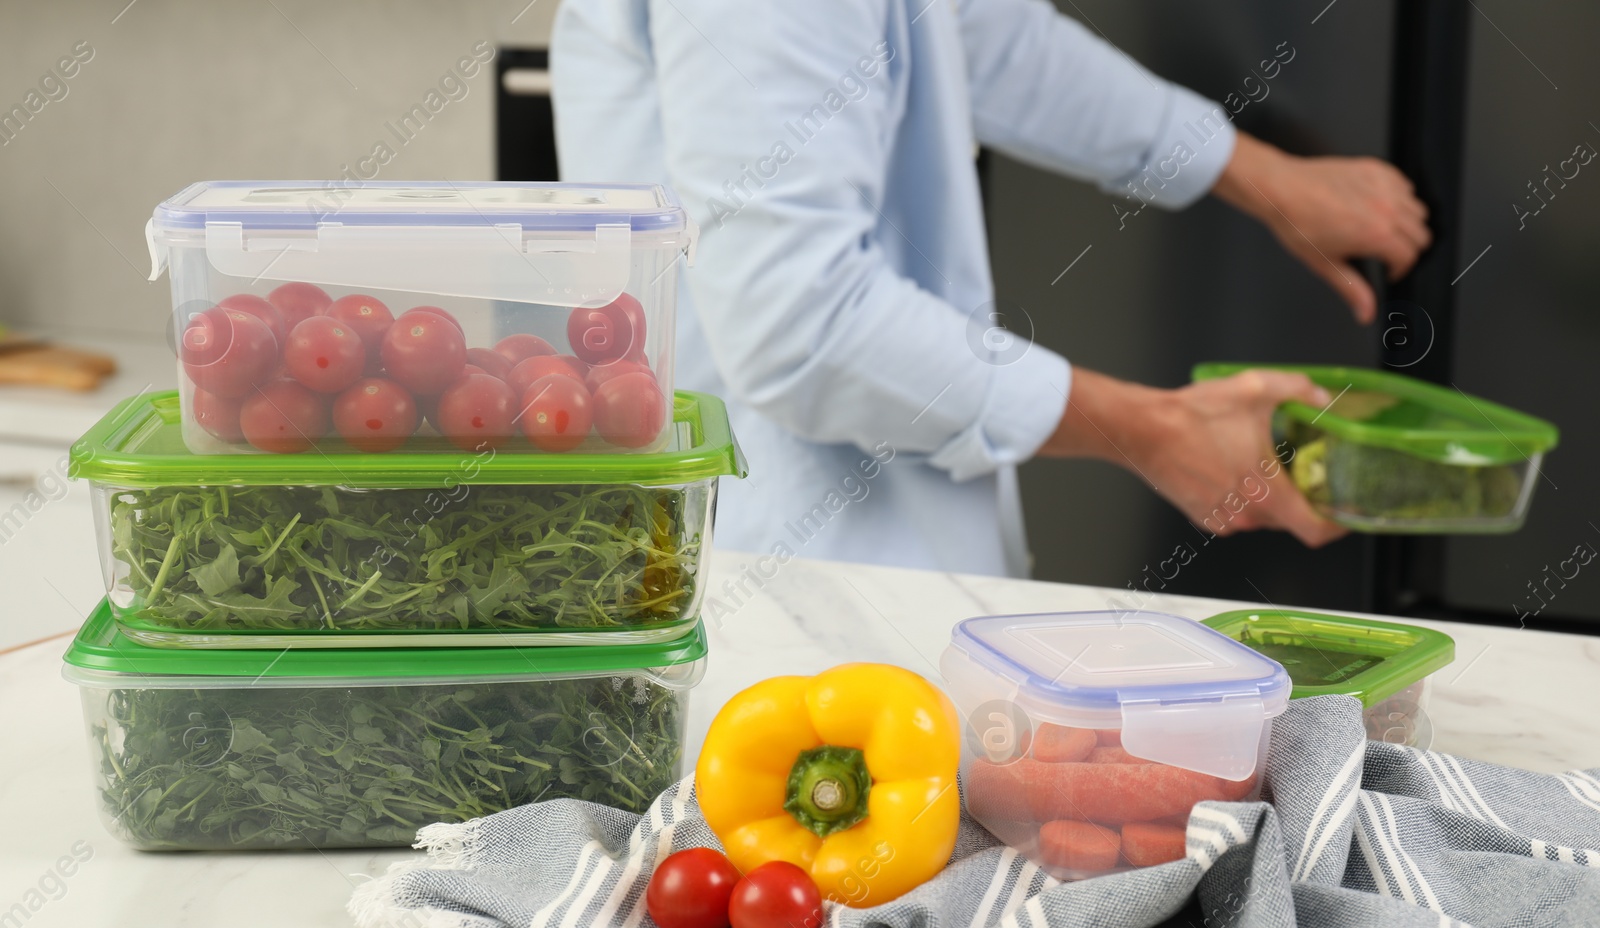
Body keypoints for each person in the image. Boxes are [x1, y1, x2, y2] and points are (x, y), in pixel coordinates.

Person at [551, 0, 1431, 577]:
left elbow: (990, 38)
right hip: (795, 591)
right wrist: (1162, 432)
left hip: (881, 590)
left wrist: (1260, 174)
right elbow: (802, 327)